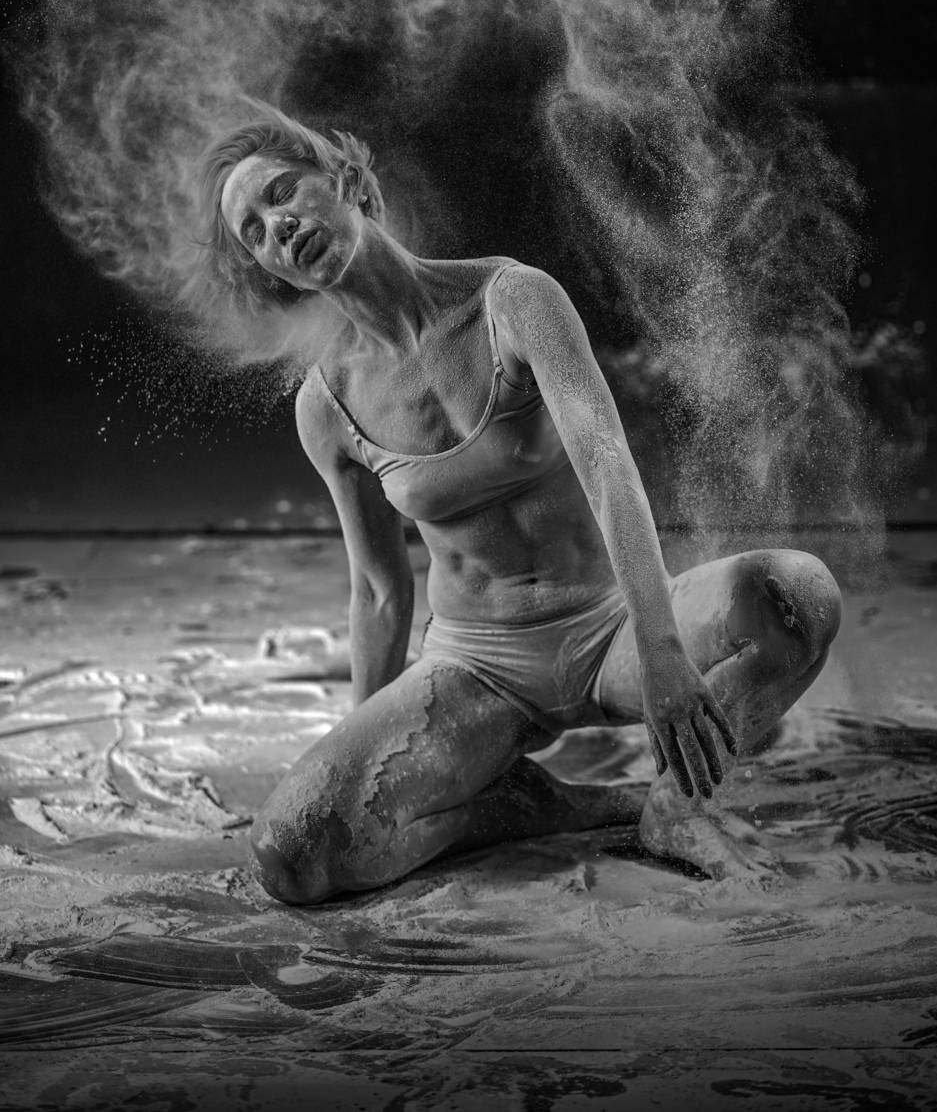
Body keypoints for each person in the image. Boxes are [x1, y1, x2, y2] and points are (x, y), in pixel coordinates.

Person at [201, 105, 842, 904]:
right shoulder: (326, 406)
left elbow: (609, 468)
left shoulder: (514, 300)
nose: (279, 227)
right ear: (273, 272)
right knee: (293, 857)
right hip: (477, 668)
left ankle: (675, 807)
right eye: (255, 233)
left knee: (799, 595)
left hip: (611, 632)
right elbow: (378, 588)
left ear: (346, 179)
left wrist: (662, 650)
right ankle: (551, 807)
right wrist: (364, 753)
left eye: (281, 193)